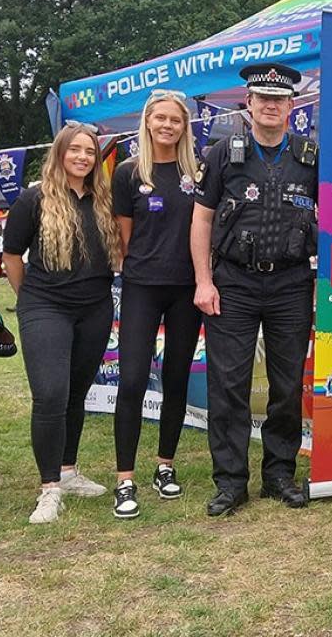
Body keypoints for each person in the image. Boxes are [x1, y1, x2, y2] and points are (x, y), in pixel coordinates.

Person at [191, 63, 317, 516]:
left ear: (290, 106)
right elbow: (201, 218)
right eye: (262, 98)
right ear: (249, 104)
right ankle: (230, 481)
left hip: (291, 282)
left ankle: (280, 473)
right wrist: (203, 280)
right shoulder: (224, 153)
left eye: (279, 99)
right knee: (229, 384)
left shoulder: (309, 155)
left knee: (286, 385)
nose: (270, 105)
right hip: (234, 282)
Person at [3, 123, 119, 524]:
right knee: (50, 393)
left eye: (89, 151)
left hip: (95, 307)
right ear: (60, 154)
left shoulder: (103, 200)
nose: (83, 157)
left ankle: (68, 471)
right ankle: (49, 488)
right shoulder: (33, 199)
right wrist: (29, 299)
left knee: (75, 392)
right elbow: (12, 255)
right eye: (75, 150)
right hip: (45, 305)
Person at [110, 90, 203, 519]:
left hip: (186, 288)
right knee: (131, 380)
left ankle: (165, 464)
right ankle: (124, 478)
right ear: (147, 122)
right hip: (142, 286)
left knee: (176, 379)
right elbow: (123, 237)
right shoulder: (129, 173)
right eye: (160, 118)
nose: (167, 125)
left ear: (185, 126)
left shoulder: (197, 173)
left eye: (176, 120)